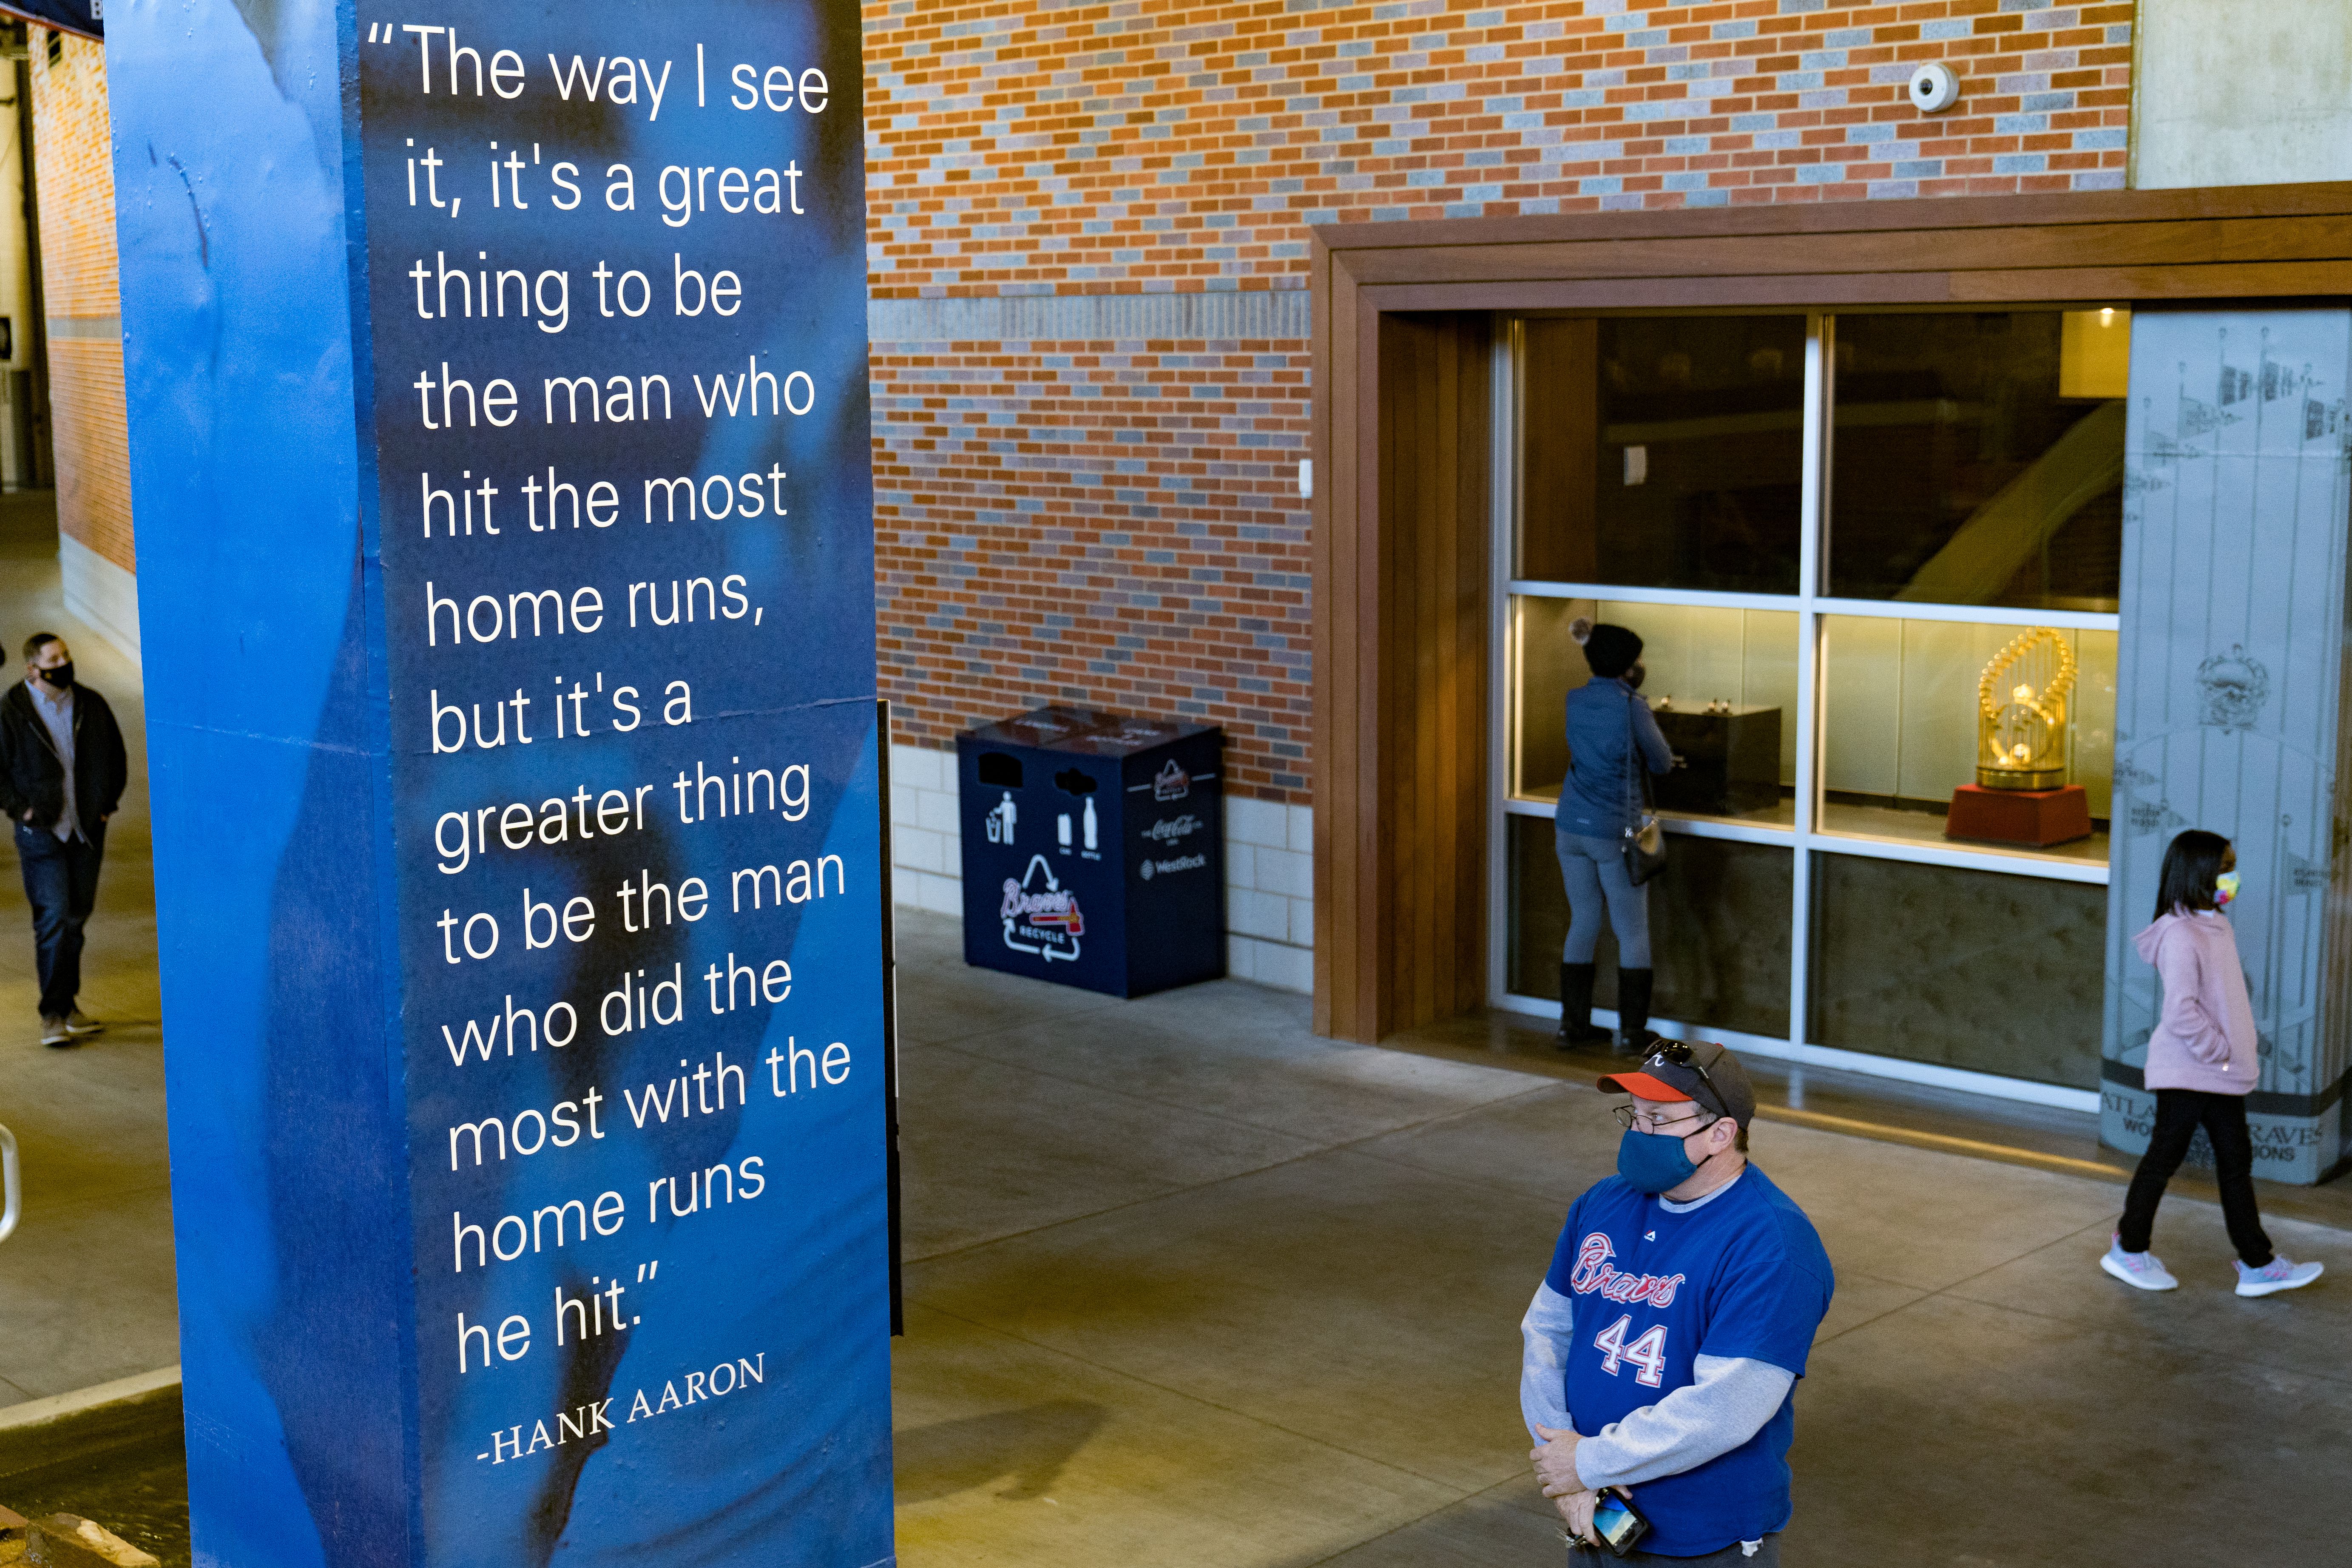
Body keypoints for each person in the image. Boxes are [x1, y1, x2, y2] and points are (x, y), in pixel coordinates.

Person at [1523, 1040, 1832, 1565]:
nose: (1639, 1133)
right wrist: (1566, 1467)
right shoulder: (1602, 1203)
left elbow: (1728, 1408)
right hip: (1594, 1512)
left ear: (1720, 1133)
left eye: (1659, 1120)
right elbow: (1547, 1334)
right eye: (1635, 1116)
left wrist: (1591, 1461)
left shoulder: (1773, 1246)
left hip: (1705, 1539)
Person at [2102, 829, 2323, 1298]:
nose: (2233, 877)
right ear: (2198, 873)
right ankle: (2129, 1248)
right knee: (2165, 1157)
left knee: (2235, 1162)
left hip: (2216, 1073)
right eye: (2225, 868)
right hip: (2191, 1070)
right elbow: (2181, 1009)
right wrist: (2219, 1049)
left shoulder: (2214, 924)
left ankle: (2257, 1263)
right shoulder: (2182, 934)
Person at [0, 633, 126, 1047]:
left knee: (76, 919)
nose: (64, 663)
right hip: (41, 833)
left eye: (66, 655)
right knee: (53, 918)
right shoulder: (12, 713)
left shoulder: (90, 704)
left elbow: (116, 758)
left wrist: (105, 804)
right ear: (32, 669)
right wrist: (24, 811)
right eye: (54, 658)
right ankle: (52, 1015)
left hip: (86, 829)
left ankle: (69, 1006)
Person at [1556, 623, 1673, 1054]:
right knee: (1632, 930)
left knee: (1583, 919)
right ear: (1628, 666)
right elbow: (1661, 762)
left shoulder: (1575, 699)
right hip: (1613, 830)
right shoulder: (1632, 708)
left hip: (1570, 824)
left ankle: (1572, 1027)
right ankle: (1632, 1034)